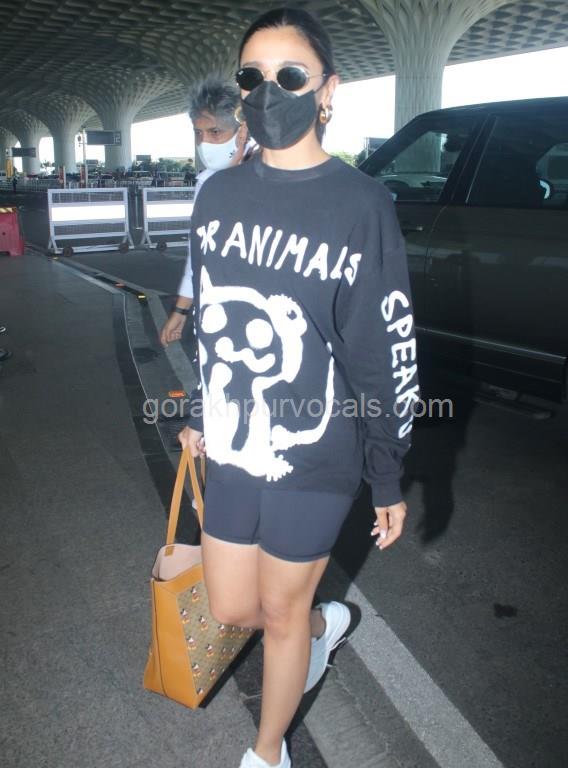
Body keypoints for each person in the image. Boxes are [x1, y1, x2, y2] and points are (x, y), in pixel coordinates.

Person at [178, 8, 419, 768]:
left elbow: (383, 349)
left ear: (328, 91)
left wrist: (387, 470)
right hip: (235, 440)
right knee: (233, 605)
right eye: (252, 77)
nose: (268, 92)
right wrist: (199, 409)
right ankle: (323, 628)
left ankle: (267, 752)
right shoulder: (217, 198)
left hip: (319, 449)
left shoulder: (361, 204)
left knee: (279, 610)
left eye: (290, 75)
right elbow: (211, 320)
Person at [160, 78, 249, 347]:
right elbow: (198, 253)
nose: (205, 141)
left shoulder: (269, 176)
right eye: (199, 133)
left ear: (243, 130)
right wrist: (181, 310)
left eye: (215, 132)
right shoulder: (206, 183)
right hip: (216, 310)